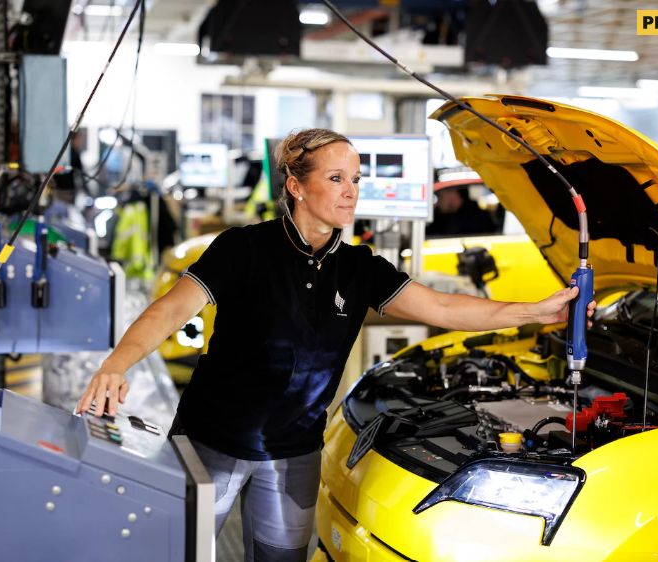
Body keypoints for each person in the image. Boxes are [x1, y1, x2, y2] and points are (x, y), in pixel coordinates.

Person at [76, 128, 596, 561]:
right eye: (336, 178)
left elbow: (442, 309)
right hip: (210, 441)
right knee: (174, 552)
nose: (351, 191)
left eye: (356, 180)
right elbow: (170, 309)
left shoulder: (359, 267)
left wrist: (538, 311)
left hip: (294, 452)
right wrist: (116, 364)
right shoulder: (244, 248)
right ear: (296, 186)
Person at [426, 184, 497, 236]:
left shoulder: (478, 217)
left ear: (453, 193)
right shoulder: (443, 217)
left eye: (440, 197)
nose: (437, 203)